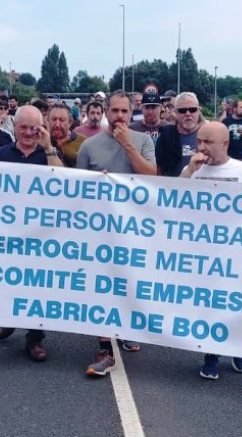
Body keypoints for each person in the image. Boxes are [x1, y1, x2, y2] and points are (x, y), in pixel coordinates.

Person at [0, 106, 64, 361]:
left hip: (41, 235)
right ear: (14, 127)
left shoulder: (49, 154)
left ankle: (35, 338)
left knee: (36, 286)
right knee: (7, 280)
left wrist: (49, 146)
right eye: (23, 127)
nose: (29, 133)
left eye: (35, 128)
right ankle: (8, 319)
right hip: (7, 234)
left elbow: (64, 180)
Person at [180, 122, 242, 379]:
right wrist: (190, 171)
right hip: (206, 254)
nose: (201, 147)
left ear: (224, 144)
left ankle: (239, 348)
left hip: (239, 254)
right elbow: (174, 199)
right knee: (211, 306)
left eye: (207, 142)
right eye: (199, 141)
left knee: (237, 305)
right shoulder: (194, 170)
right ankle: (211, 354)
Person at [76, 91, 156, 376]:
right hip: (101, 229)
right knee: (102, 284)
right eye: (115, 111)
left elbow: (151, 177)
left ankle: (125, 329)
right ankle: (105, 347)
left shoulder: (144, 141)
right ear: (105, 112)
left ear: (130, 112)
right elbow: (80, 190)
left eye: (124, 111)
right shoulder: (89, 145)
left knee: (129, 281)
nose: (119, 116)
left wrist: (128, 146)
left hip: (134, 230)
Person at [155, 92, 204, 177]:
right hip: (172, 187)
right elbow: (158, 169)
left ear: (199, 111)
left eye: (193, 110)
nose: (188, 114)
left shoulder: (207, 134)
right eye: (182, 110)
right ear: (175, 113)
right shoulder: (166, 135)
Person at [46, 103, 86, 167]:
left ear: (70, 122)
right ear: (47, 121)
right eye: (54, 119)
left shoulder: (83, 142)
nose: (57, 125)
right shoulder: (41, 141)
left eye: (62, 120)